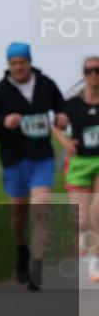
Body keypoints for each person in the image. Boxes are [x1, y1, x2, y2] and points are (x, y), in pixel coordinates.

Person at [0, 42, 69, 290]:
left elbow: (61, 105)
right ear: (8, 65)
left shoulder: (45, 84)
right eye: (13, 63)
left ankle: (37, 264)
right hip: (13, 159)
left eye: (22, 62)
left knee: (40, 210)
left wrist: (62, 115)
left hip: (42, 158)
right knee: (19, 216)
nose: (18, 67)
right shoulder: (1, 90)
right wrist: (3, 121)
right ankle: (21, 251)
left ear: (30, 62)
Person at [52, 56, 99, 283]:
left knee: (97, 212)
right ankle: (83, 233)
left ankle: (96, 261)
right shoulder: (72, 105)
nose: (93, 75)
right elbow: (56, 127)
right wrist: (65, 143)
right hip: (79, 162)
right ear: (83, 74)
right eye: (89, 70)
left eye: (98, 70)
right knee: (81, 218)